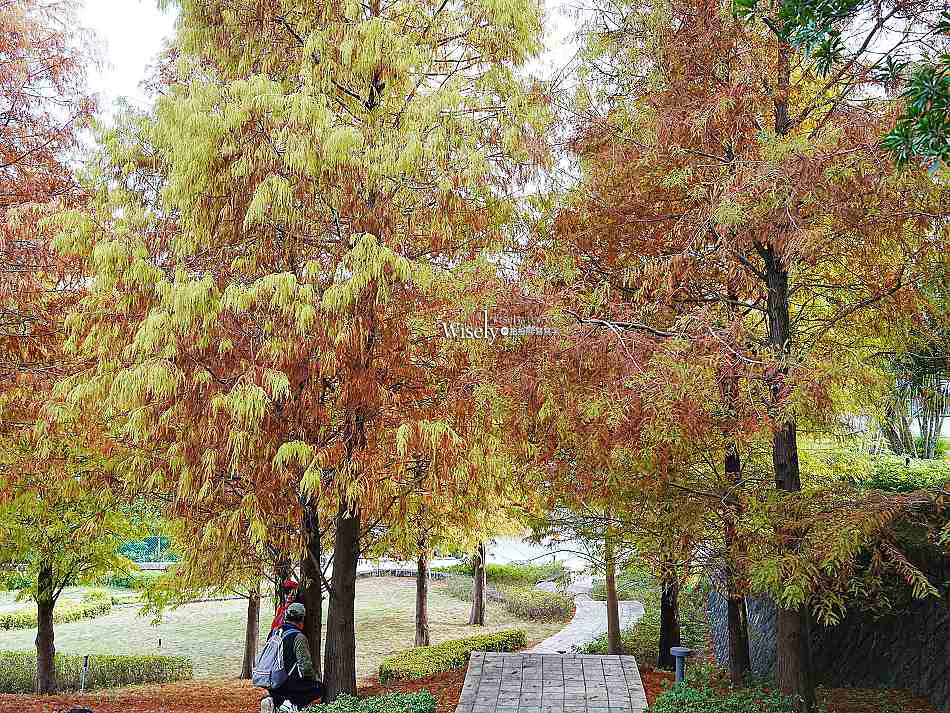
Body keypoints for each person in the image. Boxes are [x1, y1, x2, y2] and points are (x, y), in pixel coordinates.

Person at [260, 602, 324, 713]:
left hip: (272, 683)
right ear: (302, 619)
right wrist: (315, 678)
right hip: (288, 685)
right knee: (318, 688)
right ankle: (293, 705)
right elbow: (305, 667)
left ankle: (274, 702)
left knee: (284, 690)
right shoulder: (298, 637)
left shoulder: (274, 632)